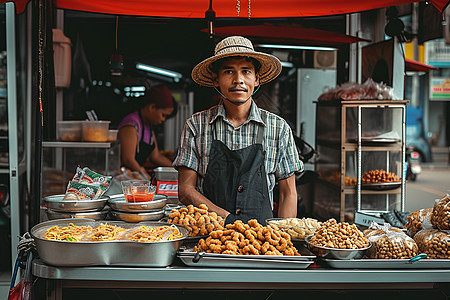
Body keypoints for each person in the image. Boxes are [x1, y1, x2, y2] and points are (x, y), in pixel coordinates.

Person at [173, 36, 303, 224]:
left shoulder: (278, 128)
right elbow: (186, 191)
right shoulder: (196, 125)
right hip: (211, 236)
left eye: (246, 71)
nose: (238, 80)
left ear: (257, 79)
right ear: (216, 80)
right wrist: (227, 219)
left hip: (262, 242)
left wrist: (280, 242)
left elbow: (288, 194)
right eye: (228, 72)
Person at [118, 84, 176, 178]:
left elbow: (156, 156)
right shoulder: (131, 125)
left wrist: (175, 169)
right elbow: (128, 159)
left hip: (136, 177)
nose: (163, 120)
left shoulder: (149, 126)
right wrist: (145, 177)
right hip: (123, 177)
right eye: (163, 115)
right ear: (152, 107)